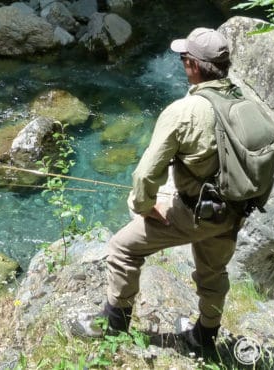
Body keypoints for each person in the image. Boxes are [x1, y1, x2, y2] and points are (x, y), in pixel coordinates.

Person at [72, 27, 243, 350]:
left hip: (196, 212)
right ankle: (204, 337)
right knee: (213, 271)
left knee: (122, 248)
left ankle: (115, 325)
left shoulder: (183, 112)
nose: (182, 64)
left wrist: (144, 206)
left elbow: (145, 176)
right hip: (235, 210)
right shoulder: (245, 104)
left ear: (193, 65)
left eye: (183, 58)